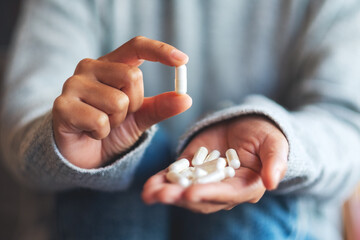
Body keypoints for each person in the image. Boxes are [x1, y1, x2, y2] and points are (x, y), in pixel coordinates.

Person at [1, 0, 360, 239]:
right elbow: (21, 120)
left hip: (278, 218)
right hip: (91, 210)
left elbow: (348, 123)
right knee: (121, 183)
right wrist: (62, 144)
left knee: (248, 209)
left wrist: (280, 138)